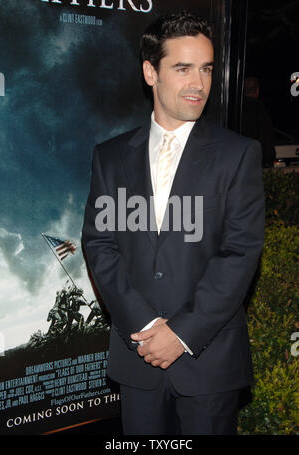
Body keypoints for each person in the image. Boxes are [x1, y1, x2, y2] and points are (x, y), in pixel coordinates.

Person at [82, 11, 265, 435]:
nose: (198, 83)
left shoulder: (237, 155)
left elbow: (239, 254)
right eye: (183, 68)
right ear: (151, 71)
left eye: (205, 68)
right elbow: (99, 245)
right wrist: (146, 328)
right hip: (138, 356)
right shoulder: (110, 157)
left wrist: (180, 334)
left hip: (208, 361)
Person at [242, 76, 276, 167]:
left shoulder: (237, 108)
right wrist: (268, 159)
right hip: (255, 160)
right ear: (257, 91)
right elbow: (266, 136)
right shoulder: (260, 109)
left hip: (238, 159)